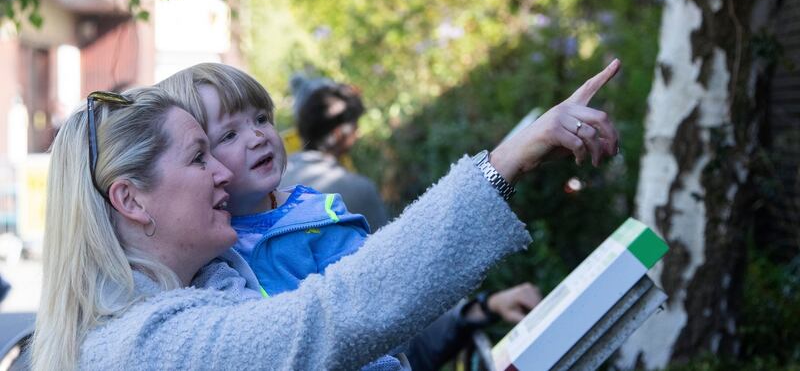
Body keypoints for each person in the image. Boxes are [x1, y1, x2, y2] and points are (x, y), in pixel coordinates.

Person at [31, 60, 621, 370]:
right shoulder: (145, 347)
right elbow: (328, 318)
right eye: (201, 154)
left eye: (257, 122)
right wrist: (505, 162)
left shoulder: (212, 287)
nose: (221, 172)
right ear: (131, 200)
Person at [159, 64, 542, 370]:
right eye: (228, 135)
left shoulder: (320, 214)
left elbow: (387, 297)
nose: (257, 136)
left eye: (261, 118)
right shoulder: (205, 252)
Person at [283, 76, 390, 230]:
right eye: (355, 126)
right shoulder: (359, 189)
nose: (358, 133)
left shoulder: (277, 176)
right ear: (339, 133)